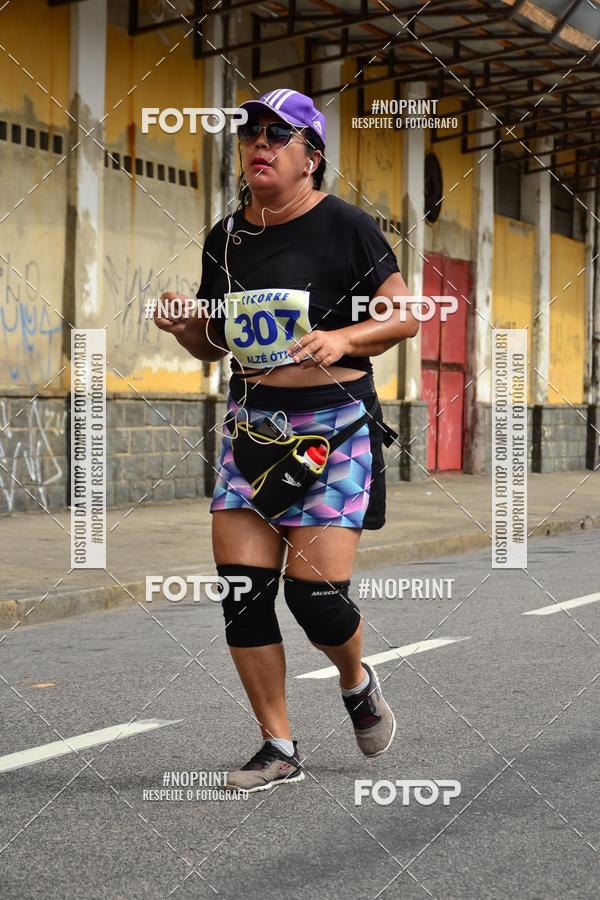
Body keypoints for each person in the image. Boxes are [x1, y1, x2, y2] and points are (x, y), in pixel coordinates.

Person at [154, 88, 419, 793]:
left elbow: (404, 316)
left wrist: (344, 336)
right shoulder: (227, 237)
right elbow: (215, 343)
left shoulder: (347, 228)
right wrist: (186, 326)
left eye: (277, 134)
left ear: (312, 156)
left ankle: (356, 681)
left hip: (332, 429)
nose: (258, 144)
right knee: (243, 592)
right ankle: (277, 746)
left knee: (317, 600)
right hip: (252, 428)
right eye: (249, 134)